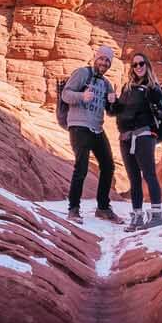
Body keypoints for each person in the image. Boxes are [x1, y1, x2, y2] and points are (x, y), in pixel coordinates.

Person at [60, 45, 123, 223]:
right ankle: (73, 209)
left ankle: (102, 208)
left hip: (97, 128)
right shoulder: (82, 73)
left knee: (108, 166)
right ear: (95, 59)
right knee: (81, 167)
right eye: (102, 59)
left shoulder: (106, 84)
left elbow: (111, 112)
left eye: (107, 61)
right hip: (79, 126)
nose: (104, 63)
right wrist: (81, 97)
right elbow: (66, 94)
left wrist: (113, 102)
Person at [111, 52, 162, 230]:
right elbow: (115, 113)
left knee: (149, 174)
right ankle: (137, 217)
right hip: (126, 137)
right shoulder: (127, 89)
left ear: (147, 65)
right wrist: (112, 103)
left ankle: (157, 216)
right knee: (133, 179)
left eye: (141, 63)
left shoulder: (153, 88)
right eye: (135, 65)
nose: (138, 67)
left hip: (144, 135)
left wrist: (155, 102)